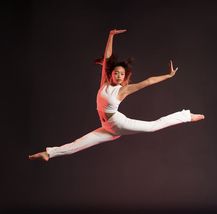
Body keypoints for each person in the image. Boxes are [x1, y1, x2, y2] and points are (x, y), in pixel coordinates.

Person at [29, 29, 205, 161]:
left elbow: (148, 81)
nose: (119, 75)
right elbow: (107, 57)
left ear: (124, 77)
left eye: (122, 74)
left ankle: (186, 115)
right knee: (78, 144)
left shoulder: (122, 90)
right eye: (116, 72)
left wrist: (168, 75)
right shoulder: (104, 83)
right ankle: (48, 153)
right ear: (111, 73)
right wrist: (111, 35)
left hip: (117, 123)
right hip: (107, 128)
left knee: (152, 126)